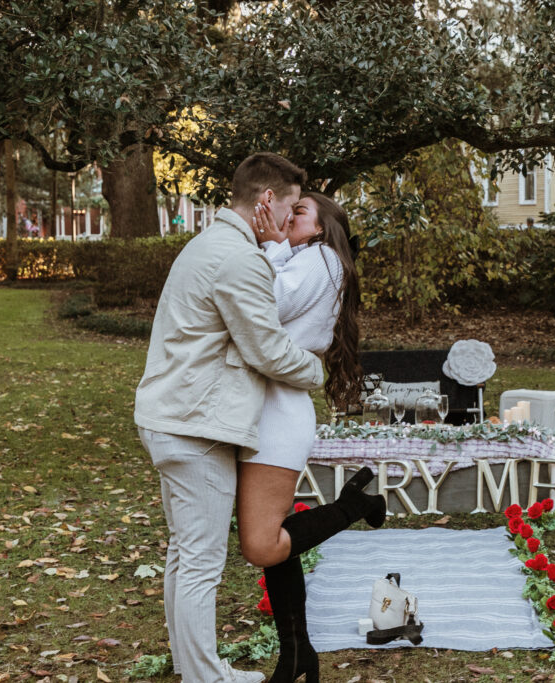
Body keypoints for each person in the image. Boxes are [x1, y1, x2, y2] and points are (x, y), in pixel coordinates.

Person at [135, 153, 327, 683]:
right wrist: (317, 371)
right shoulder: (237, 258)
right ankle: (205, 678)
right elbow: (267, 349)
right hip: (194, 425)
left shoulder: (211, 244)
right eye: (290, 207)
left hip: (174, 416)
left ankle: (192, 665)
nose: (291, 220)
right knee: (199, 563)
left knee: (183, 557)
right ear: (267, 200)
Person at [237, 193, 385, 683]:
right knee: (278, 540)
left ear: (321, 228)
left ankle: (354, 506)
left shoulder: (321, 258)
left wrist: (272, 246)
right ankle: (296, 655)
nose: (287, 215)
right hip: (265, 403)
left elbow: (266, 303)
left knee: (262, 544)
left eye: (299, 212)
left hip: (279, 409)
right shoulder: (310, 258)